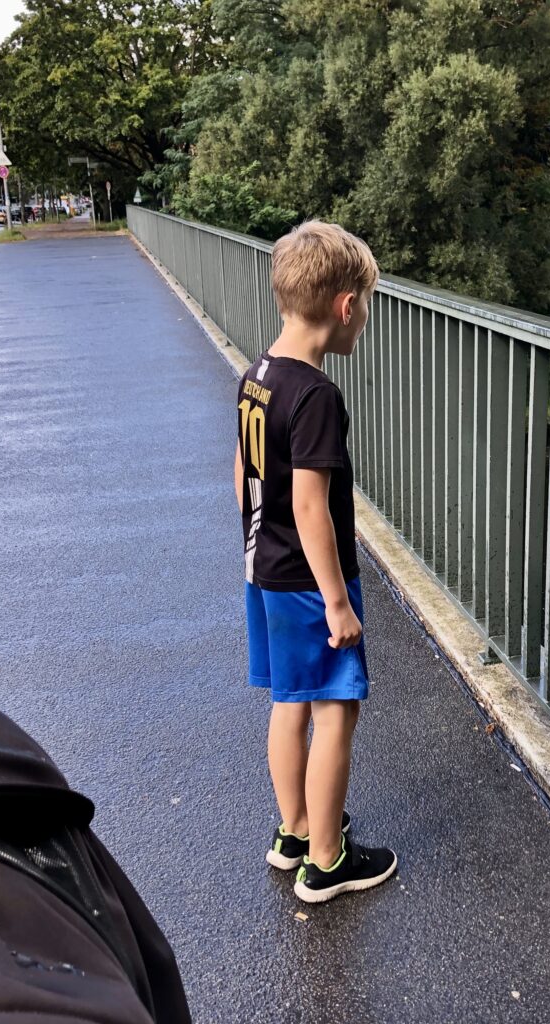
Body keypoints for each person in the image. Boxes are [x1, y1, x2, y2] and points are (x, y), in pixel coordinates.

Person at [235, 220, 397, 904]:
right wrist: (336, 601)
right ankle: (327, 863)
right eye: (366, 305)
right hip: (310, 584)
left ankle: (296, 832)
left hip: (267, 569)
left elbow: (244, 471)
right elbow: (310, 507)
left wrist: (254, 551)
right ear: (346, 306)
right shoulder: (317, 395)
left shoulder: (258, 375)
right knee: (335, 709)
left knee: (289, 700)